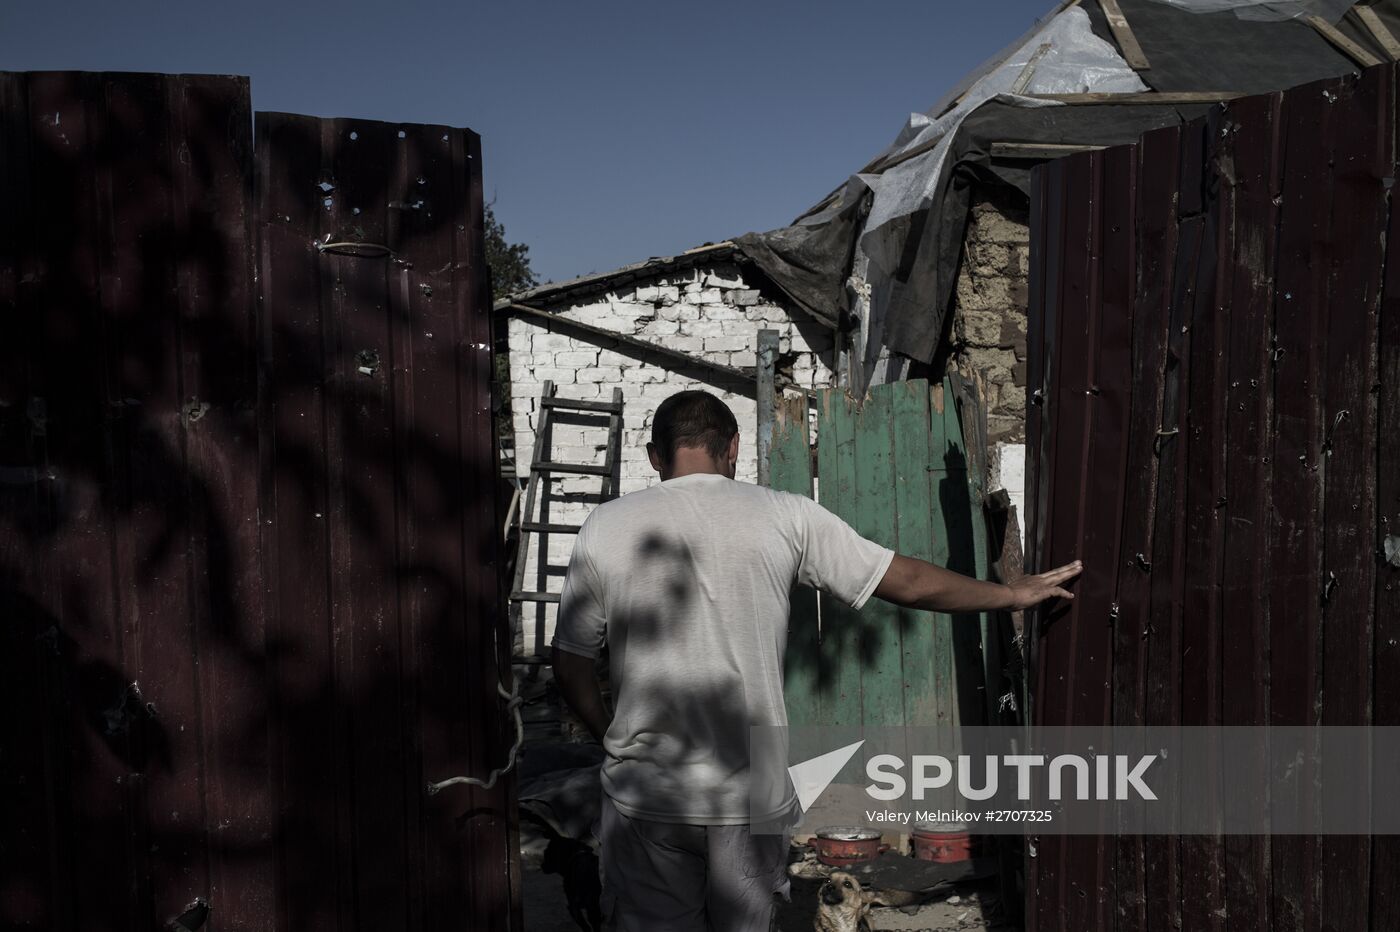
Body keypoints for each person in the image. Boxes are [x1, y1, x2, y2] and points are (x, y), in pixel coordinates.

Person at [551, 390, 1081, 932]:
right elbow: (910, 583)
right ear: (733, 447)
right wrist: (1011, 595)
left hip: (647, 791)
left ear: (654, 455)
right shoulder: (785, 516)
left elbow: (569, 665)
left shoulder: (605, 527)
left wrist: (611, 739)